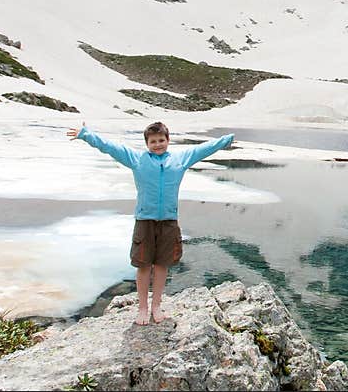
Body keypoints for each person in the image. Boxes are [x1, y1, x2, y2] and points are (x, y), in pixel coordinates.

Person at [67, 121, 234, 325]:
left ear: (168, 140)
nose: (158, 145)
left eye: (161, 140)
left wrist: (226, 140)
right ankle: (143, 308)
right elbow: (111, 148)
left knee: (162, 264)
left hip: (169, 221)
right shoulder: (137, 159)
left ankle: (156, 305)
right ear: (147, 143)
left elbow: (203, 149)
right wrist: (86, 135)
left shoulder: (179, 159)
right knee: (144, 265)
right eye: (153, 141)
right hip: (145, 220)